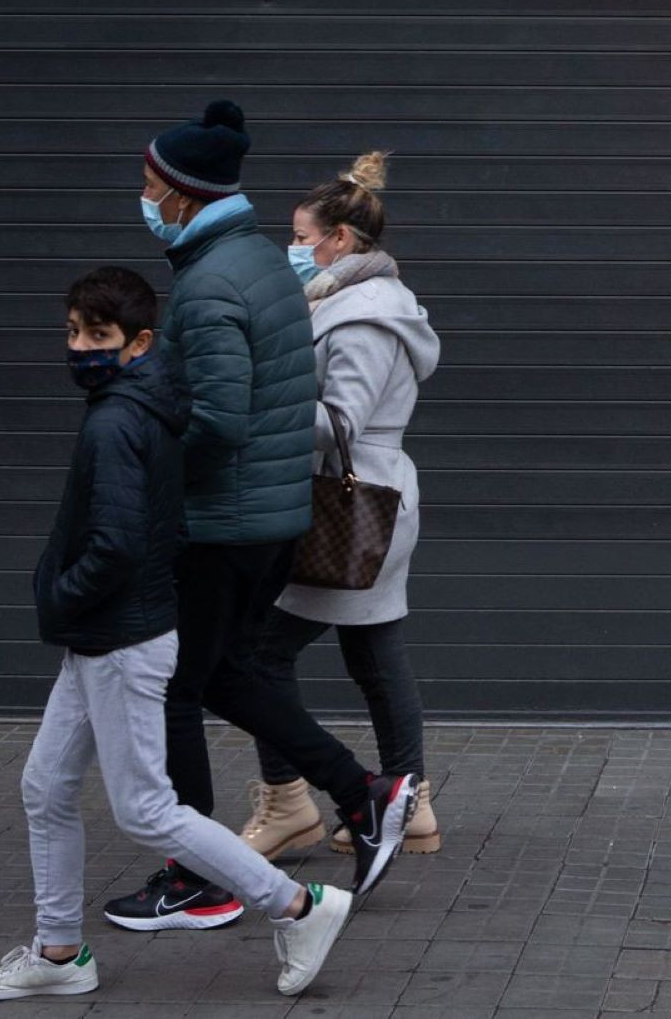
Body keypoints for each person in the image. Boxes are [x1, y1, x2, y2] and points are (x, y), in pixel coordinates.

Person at [105, 102, 419, 931]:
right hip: (266, 514)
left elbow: (216, 419)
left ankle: (199, 875)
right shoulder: (255, 262)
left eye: (150, 185)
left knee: (179, 685)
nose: (143, 198)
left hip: (223, 520)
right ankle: (365, 790)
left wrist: (142, 461)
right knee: (229, 671)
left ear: (182, 193)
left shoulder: (210, 283)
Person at [0, 269, 351, 1001]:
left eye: (99, 335)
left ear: (140, 341)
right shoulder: (143, 403)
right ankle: (61, 952)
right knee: (45, 786)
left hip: (120, 639)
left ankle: (298, 904)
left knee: (147, 808)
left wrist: (56, 594)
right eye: (73, 331)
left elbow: (118, 544)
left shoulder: (115, 419)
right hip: (112, 632)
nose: (81, 347)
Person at [238, 153, 442, 859]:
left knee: (257, 654)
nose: (291, 248)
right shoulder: (338, 298)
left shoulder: (366, 315)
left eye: (301, 236)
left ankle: (289, 799)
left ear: (341, 241)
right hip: (364, 500)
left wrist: (259, 402)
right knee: (375, 657)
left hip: (350, 504)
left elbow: (341, 422)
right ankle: (406, 802)